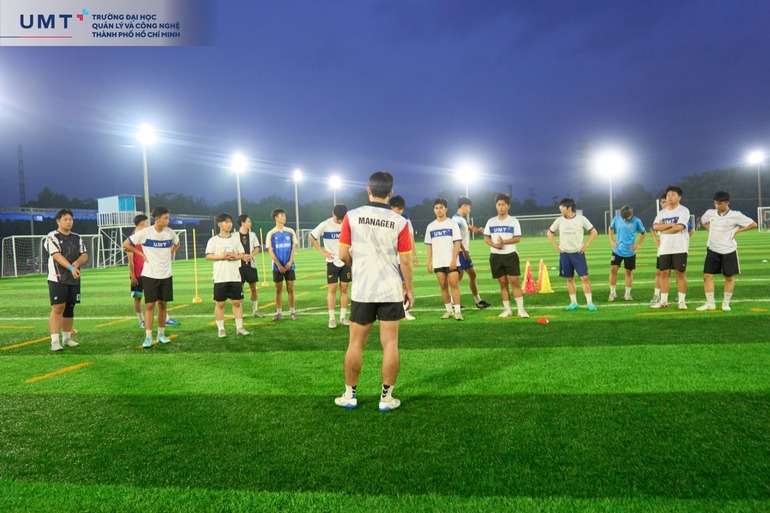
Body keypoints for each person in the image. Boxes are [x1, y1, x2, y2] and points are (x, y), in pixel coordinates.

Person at [335, 171, 414, 413]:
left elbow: (342, 254)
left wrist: (356, 265)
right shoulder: (400, 221)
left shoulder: (352, 216)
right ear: (390, 193)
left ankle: (350, 395)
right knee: (390, 344)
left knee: (355, 344)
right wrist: (409, 289)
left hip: (363, 289)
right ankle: (386, 399)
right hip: (390, 289)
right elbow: (405, 261)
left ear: (368, 190)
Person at [123, 206, 180, 348]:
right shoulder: (145, 233)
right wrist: (141, 254)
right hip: (150, 274)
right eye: (165, 218)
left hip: (166, 274)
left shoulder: (170, 233)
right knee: (149, 305)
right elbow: (126, 244)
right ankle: (148, 336)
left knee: (162, 304)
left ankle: (161, 334)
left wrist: (170, 253)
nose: (168, 221)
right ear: (157, 219)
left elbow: (177, 243)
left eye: (168, 218)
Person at [695, 191, 757, 311]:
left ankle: (726, 303)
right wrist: (710, 229)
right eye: (715, 203)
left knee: (729, 277)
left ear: (727, 203)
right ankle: (710, 303)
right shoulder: (710, 213)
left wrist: (735, 231)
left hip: (729, 249)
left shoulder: (736, 215)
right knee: (707, 276)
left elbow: (753, 224)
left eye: (719, 204)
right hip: (712, 248)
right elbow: (702, 220)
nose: (717, 206)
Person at [45, 208, 88, 352]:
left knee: (70, 307)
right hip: (57, 278)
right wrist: (71, 268)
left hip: (74, 278)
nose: (69, 222)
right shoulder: (52, 236)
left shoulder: (77, 237)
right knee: (58, 308)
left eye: (70, 219)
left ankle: (67, 338)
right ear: (58, 221)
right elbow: (57, 255)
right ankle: (55, 341)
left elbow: (84, 254)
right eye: (65, 219)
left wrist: (77, 263)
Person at [547, 198, 598, 311]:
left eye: (562, 207)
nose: (560, 209)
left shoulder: (581, 219)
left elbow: (594, 232)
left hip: (578, 253)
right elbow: (549, 233)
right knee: (569, 279)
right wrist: (556, 246)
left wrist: (586, 245)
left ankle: (590, 303)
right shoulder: (559, 220)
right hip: (565, 254)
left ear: (569, 208)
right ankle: (573, 303)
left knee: (584, 278)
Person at [483, 193, 529, 318]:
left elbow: (517, 238)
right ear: (496, 206)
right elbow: (486, 237)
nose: (501, 207)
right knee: (502, 283)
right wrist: (494, 245)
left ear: (508, 206)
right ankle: (507, 309)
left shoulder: (513, 221)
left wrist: (505, 242)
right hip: (496, 256)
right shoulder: (491, 221)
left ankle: (521, 310)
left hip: (510, 255)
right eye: (499, 205)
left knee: (515, 282)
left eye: (503, 204)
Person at [205, 213, 251, 337]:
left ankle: (240, 327)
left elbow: (242, 254)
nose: (229, 224)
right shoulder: (213, 240)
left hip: (235, 276)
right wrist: (222, 256)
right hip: (220, 277)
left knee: (237, 302)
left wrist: (234, 256)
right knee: (220, 303)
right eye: (226, 222)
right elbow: (208, 256)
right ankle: (221, 329)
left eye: (230, 222)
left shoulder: (235, 240)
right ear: (219, 224)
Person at [309, 204, 351, 328]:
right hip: (332, 262)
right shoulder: (325, 225)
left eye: (342, 218)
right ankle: (332, 319)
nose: (340, 221)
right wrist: (323, 252)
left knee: (344, 288)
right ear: (333, 214)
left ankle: (343, 317)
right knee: (332, 288)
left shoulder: (348, 223)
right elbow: (311, 237)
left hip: (345, 260)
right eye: (339, 218)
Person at [650, 186, 690, 310]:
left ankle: (682, 301)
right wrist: (672, 224)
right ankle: (663, 301)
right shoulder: (662, 213)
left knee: (680, 273)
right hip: (665, 248)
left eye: (673, 195)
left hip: (679, 247)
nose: (670, 197)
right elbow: (655, 227)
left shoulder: (683, 210)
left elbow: (680, 227)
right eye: (668, 195)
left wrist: (664, 230)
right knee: (664, 273)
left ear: (679, 197)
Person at [424, 198, 463, 320]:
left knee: (454, 285)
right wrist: (428, 261)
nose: (438, 210)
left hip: (451, 261)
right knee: (443, 286)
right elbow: (429, 245)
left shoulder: (452, 224)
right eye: (436, 208)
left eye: (441, 207)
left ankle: (457, 312)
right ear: (433, 210)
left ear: (446, 209)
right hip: (438, 262)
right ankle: (449, 311)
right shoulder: (431, 226)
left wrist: (454, 259)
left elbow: (457, 243)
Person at [452, 197, 491, 309]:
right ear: (463, 206)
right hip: (460, 252)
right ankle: (457, 302)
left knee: (464, 276)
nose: (469, 210)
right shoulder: (456, 220)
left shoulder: (462, 219)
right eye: (469, 208)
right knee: (465, 275)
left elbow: (470, 228)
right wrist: (464, 252)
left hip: (461, 252)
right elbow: (456, 238)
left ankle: (456, 302)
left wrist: (480, 230)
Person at [608, 205, 646, 301]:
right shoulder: (617, 218)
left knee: (628, 272)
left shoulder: (637, 221)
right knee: (613, 270)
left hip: (630, 252)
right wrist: (611, 240)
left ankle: (627, 294)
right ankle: (612, 293)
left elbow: (643, 233)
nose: (624, 220)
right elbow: (610, 228)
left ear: (631, 214)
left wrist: (638, 244)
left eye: (626, 218)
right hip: (617, 250)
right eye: (623, 218)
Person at [265, 208, 298, 321]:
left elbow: (293, 247)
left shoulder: (290, 231)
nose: (284, 217)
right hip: (277, 266)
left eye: (284, 215)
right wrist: (279, 265)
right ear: (276, 218)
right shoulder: (271, 233)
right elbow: (270, 251)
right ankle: (279, 313)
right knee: (278, 290)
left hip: (290, 265)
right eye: (282, 216)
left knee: (290, 288)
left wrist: (290, 261)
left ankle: (292, 312)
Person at [389, 195, 418, 320]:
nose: (399, 211)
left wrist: (414, 254)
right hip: (388, 259)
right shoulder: (385, 221)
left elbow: (410, 238)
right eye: (397, 209)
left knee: (404, 284)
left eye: (401, 209)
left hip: (401, 258)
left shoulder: (405, 221)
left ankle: (404, 311)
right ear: (391, 208)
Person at [236, 214, 264, 318]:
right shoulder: (234, 236)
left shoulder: (252, 235)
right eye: (248, 221)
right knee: (239, 289)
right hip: (239, 265)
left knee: (253, 288)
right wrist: (242, 257)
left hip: (251, 265)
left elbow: (257, 247)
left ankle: (255, 310)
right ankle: (238, 312)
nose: (250, 223)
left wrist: (250, 255)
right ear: (242, 223)